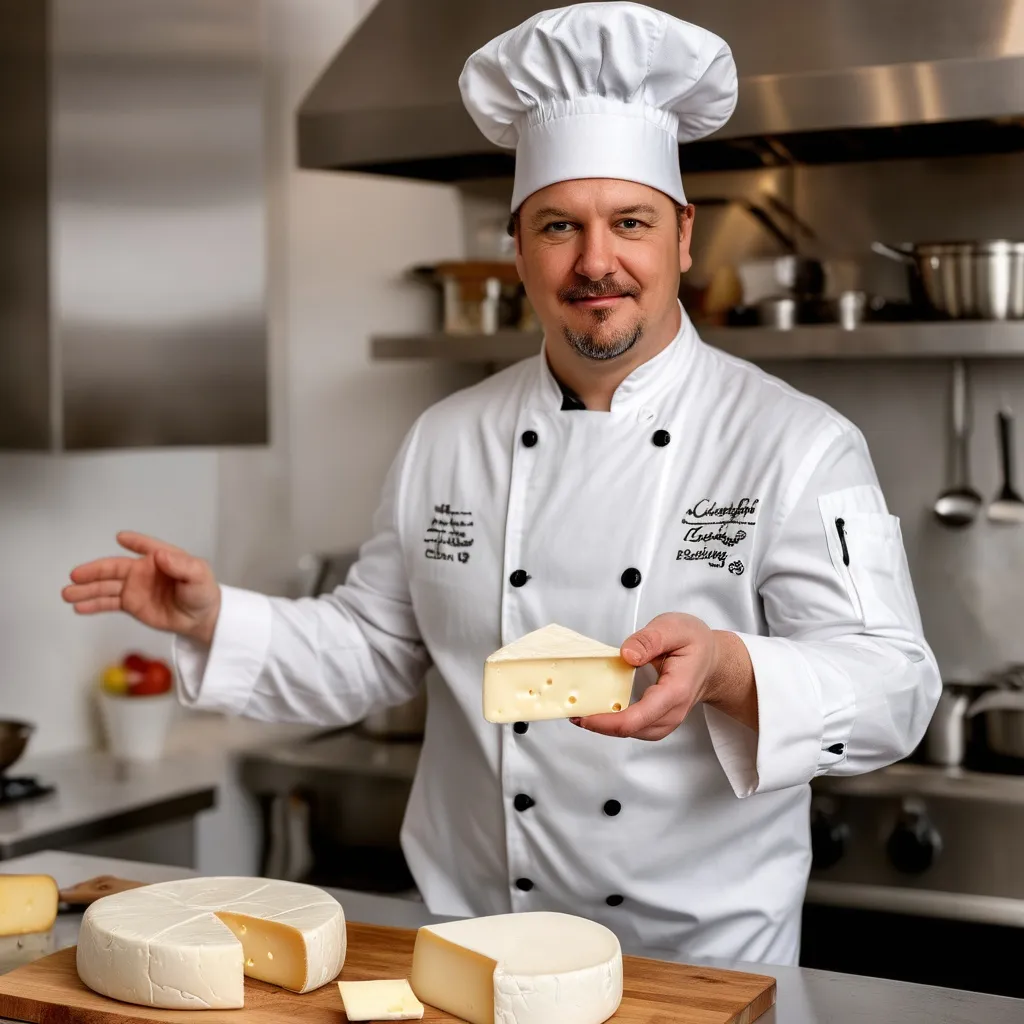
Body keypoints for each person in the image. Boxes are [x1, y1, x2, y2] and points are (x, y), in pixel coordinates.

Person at [62, 2, 940, 967]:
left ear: (684, 237)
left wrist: (731, 671)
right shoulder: (448, 437)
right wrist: (212, 618)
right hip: (472, 952)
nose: (596, 261)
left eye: (631, 223)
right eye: (560, 225)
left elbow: (896, 687)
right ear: (517, 244)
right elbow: (376, 647)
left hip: (697, 966)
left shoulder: (797, 443)